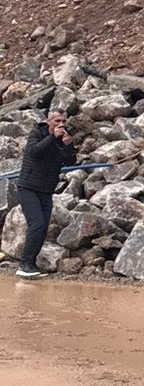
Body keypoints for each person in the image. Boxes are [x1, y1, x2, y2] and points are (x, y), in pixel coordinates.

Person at [14, 109, 75, 279]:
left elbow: (70, 161)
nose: (61, 124)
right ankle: (24, 264)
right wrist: (52, 137)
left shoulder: (62, 138)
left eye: (63, 121)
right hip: (28, 188)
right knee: (37, 224)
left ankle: (30, 264)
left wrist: (68, 146)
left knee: (43, 228)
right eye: (57, 121)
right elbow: (34, 152)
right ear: (48, 122)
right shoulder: (37, 134)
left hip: (46, 190)